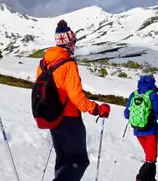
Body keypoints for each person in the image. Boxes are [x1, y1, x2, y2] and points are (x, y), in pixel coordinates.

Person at [36, 19, 110, 181]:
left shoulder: (43, 64)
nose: (74, 46)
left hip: (51, 117)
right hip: (69, 119)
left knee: (63, 159)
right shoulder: (68, 64)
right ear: (69, 44)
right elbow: (76, 97)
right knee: (79, 161)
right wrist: (96, 109)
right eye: (73, 43)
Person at [123, 68, 158, 181]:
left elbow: (126, 114)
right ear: (152, 79)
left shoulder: (134, 94)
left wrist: (138, 118)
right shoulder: (152, 94)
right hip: (151, 131)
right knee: (151, 159)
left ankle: (150, 179)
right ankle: (141, 178)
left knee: (150, 157)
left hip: (138, 131)